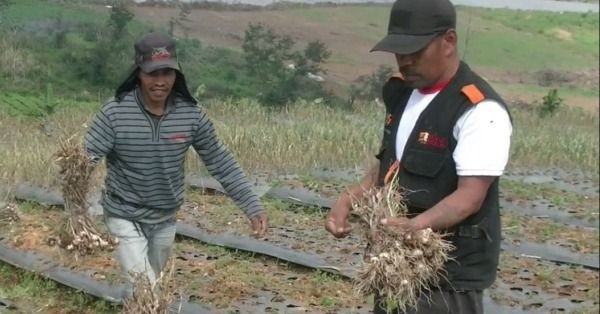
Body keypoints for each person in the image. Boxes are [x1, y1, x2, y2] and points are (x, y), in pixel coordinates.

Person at [325, 0, 512, 313]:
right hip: (396, 267)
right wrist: (348, 199)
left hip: (446, 278)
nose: (405, 62)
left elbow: (470, 197)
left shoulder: (480, 110)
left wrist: (415, 227)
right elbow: (389, 165)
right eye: (400, 52)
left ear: (448, 41)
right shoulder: (403, 94)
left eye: (415, 51)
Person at [84, 32, 268, 292]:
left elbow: (220, 161)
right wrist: (74, 210)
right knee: (145, 288)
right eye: (152, 74)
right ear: (138, 72)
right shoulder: (115, 112)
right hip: (124, 214)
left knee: (148, 285)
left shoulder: (190, 115)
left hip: (165, 217)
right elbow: (84, 160)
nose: (160, 82)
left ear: (176, 74)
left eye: (167, 74)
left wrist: (251, 204)